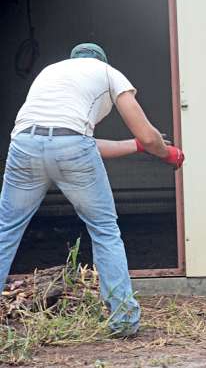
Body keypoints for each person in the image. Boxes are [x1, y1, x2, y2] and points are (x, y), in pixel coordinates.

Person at [0, 43, 184, 336]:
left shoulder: (51, 72)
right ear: (102, 61)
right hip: (72, 146)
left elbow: (80, 144)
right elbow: (147, 136)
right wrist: (166, 153)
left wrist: (137, 147)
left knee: (5, 231)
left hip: (24, 144)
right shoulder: (109, 74)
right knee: (104, 229)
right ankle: (123, 319)